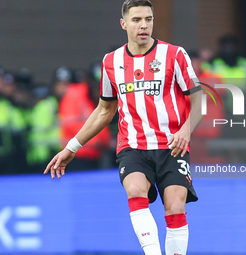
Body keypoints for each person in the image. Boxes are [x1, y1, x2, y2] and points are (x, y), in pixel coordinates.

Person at [44, 1, 203, 254]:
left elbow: (199, 102)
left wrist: (185, 129)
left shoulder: (174, 54)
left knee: (175, 207)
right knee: (136, 191)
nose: (144, 25)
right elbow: (104, 111)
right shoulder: (111, 62)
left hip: (172, 145)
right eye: (137, 20)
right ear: (124, 24)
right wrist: (72, 147)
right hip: (133, 146)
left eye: (148, 19)